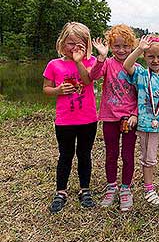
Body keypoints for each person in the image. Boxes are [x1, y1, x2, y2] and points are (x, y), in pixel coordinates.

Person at [43, 22, 97, 213]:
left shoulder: (91, 62)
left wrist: (78, 61)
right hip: (65, 120)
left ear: (87, 45)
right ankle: (61, 191)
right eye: (70, 43)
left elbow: (87, 80)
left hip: (88, 119)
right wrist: (58, 90)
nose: (74, 48)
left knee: (84, 154)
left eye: (80, 44)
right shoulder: (54, 65)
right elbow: (46, 89)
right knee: (65, 155)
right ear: (61, 43)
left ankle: (85, 190)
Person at [123, 35, 159, 206]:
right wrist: (140, 48)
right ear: (144, 57)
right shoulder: (140, 74)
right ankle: (149, 188)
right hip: (147, 125)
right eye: (150, 56)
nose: (155, 60)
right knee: (148, 159)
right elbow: (127, 65)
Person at [89, 24, 138, 212]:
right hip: (109, 117)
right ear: (110, 45)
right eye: (116, 46)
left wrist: (135, 113)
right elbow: (93, 76)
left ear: (132, 46)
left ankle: (125, 188)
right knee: (111, 154)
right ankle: (111, 187)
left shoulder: (136, 67)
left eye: (126, 46)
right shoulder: (107, 64)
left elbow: (141, 95)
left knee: (127, 155)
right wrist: (101, 57)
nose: (121, 50)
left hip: (129, 119)